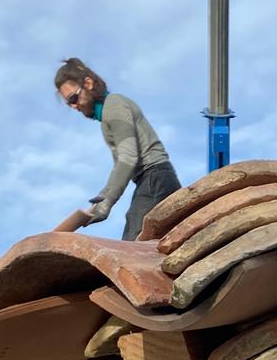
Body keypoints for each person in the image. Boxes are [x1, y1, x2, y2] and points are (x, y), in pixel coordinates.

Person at [53, 57, 182, 241]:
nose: (73, 106)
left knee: (132, 246)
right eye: (68, 103)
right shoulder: (108, 114)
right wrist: (102, 200)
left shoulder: (114, 105)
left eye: (73, 98)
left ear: (88, 84)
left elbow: (128, 157)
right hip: (153, 180)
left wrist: (106, 200)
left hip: (155, 179)